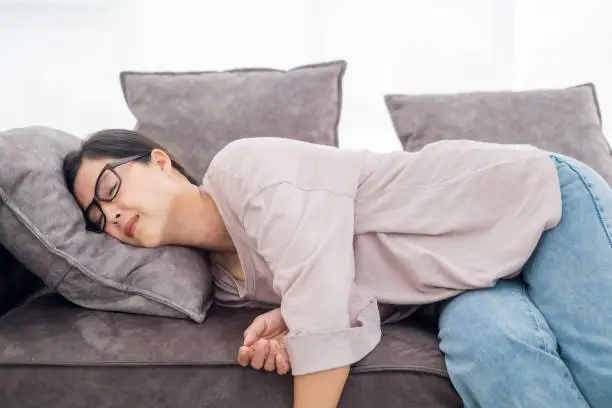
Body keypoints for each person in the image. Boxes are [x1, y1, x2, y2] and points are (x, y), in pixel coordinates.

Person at [63, 128, 612, 408]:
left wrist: (308, 323)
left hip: (531, 202)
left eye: (109, 187)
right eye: (95, 218)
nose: (110, 214)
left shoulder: (244, 169)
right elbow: (358, 296)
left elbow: (321, 306)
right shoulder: (228, 286)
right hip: (467, 282)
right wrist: (290, 325)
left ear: (159, 161)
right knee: (495, 353)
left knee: (600, 369)